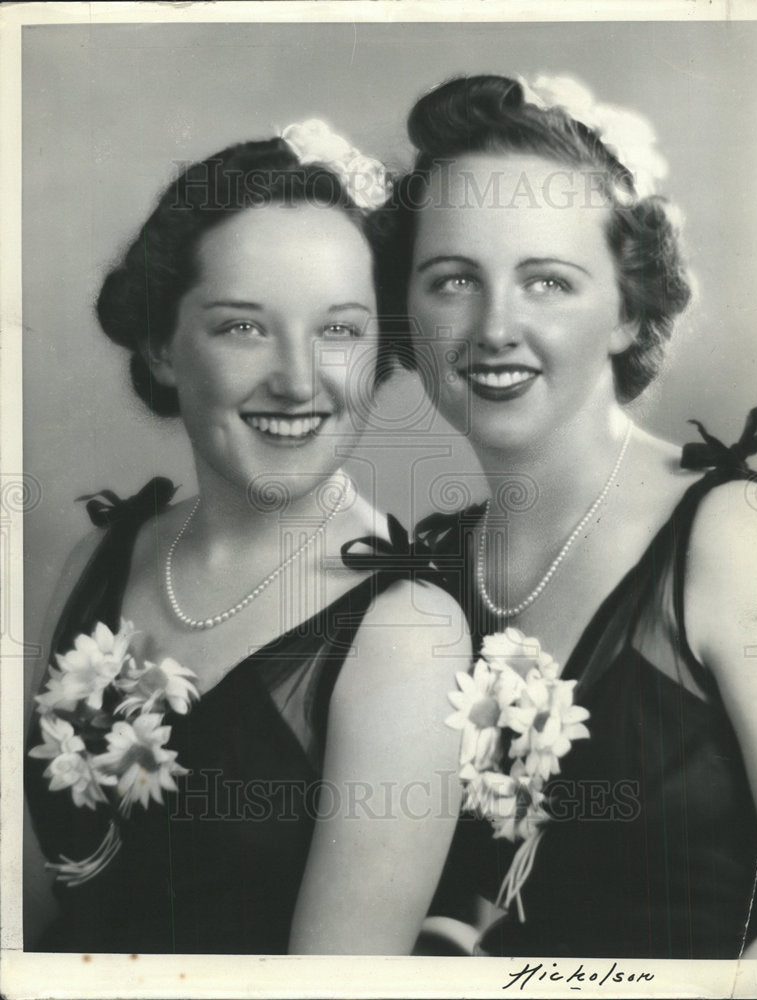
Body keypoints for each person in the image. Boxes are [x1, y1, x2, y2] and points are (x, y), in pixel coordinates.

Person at [24, 126, 467, 955]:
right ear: (161, 346)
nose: (298, 380)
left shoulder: (407, 635)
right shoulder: (106, 555)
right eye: (243, 328)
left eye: (339, 330)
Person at [376, 74, 757, 958]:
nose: (493, 327)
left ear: (629, 311)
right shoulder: (424, 574)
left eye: (548, 282)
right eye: (451, 281)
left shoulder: (735, 535)